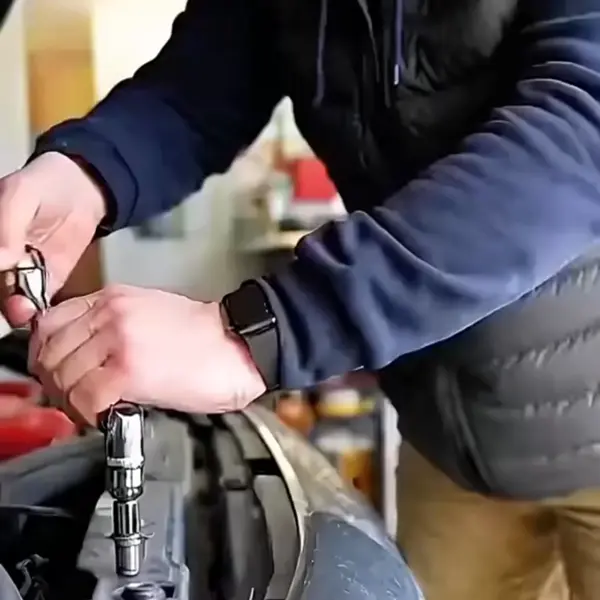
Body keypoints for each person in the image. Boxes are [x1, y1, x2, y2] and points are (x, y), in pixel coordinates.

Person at [1, 0, 600, 597]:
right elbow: (197, 92)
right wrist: (85, 172)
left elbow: (583, 124)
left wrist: (260, 331)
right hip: (449, 444)